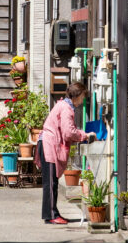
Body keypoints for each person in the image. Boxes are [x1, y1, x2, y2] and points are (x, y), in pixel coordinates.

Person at [36, 81, 96, 224]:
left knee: (52, 182)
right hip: (49, 145)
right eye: (82, 97)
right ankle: (51, 215)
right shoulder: (66, 108)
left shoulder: (64, 105)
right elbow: (68, 132)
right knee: (50, 183)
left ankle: (52, 213)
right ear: (77, 95)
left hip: (47, 143)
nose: (82, 100)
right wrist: (85, 135)